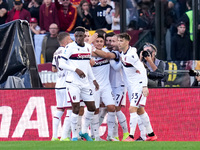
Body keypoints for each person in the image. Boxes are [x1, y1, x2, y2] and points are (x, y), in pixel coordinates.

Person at [58, 26, 99, 141]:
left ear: (85, 36)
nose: (79, 38)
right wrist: (75, 69)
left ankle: (84, 131)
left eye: (81, 36)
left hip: (85, 83)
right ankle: (74, 136)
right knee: (75, 108)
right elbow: (61, 64)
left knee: (92, 107)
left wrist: (94, 79)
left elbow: (87, 66)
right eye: (77, 36)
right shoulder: (70, 47)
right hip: (72, 82)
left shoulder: (88, 47)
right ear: (74, 36)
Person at [117, 33, 157, 141]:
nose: (118, 43)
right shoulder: (124, 53)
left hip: (139, 85)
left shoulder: (131, 55)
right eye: (118, 41)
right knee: (140, 111)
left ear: (127, 42)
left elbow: (143, 70)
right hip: (133, 85)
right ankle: (152, 134)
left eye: (121, 41)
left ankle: (131, 136)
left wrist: (144, 86)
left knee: (132, 108)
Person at [91, 32, 117, 141]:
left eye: (101, 41)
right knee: (95, 110)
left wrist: (92, 50)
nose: (99, 43)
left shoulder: (106, 51)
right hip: (94, 86)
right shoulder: (87, 52)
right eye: (97, 41)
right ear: (94, 42)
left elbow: (106, 56)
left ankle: (110, 135)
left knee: (111, 107)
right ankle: (95, 136)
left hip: (106, 86)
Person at [51, 32, 72, 141]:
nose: (71, 41)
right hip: (66, 83)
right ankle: (65, 136)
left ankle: (54, 136)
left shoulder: (56, 52)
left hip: (58, 84)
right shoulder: (67, 51)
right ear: (66, 40)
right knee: (69, 110)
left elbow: (53, 69)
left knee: (59, 110)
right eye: (70, 39)